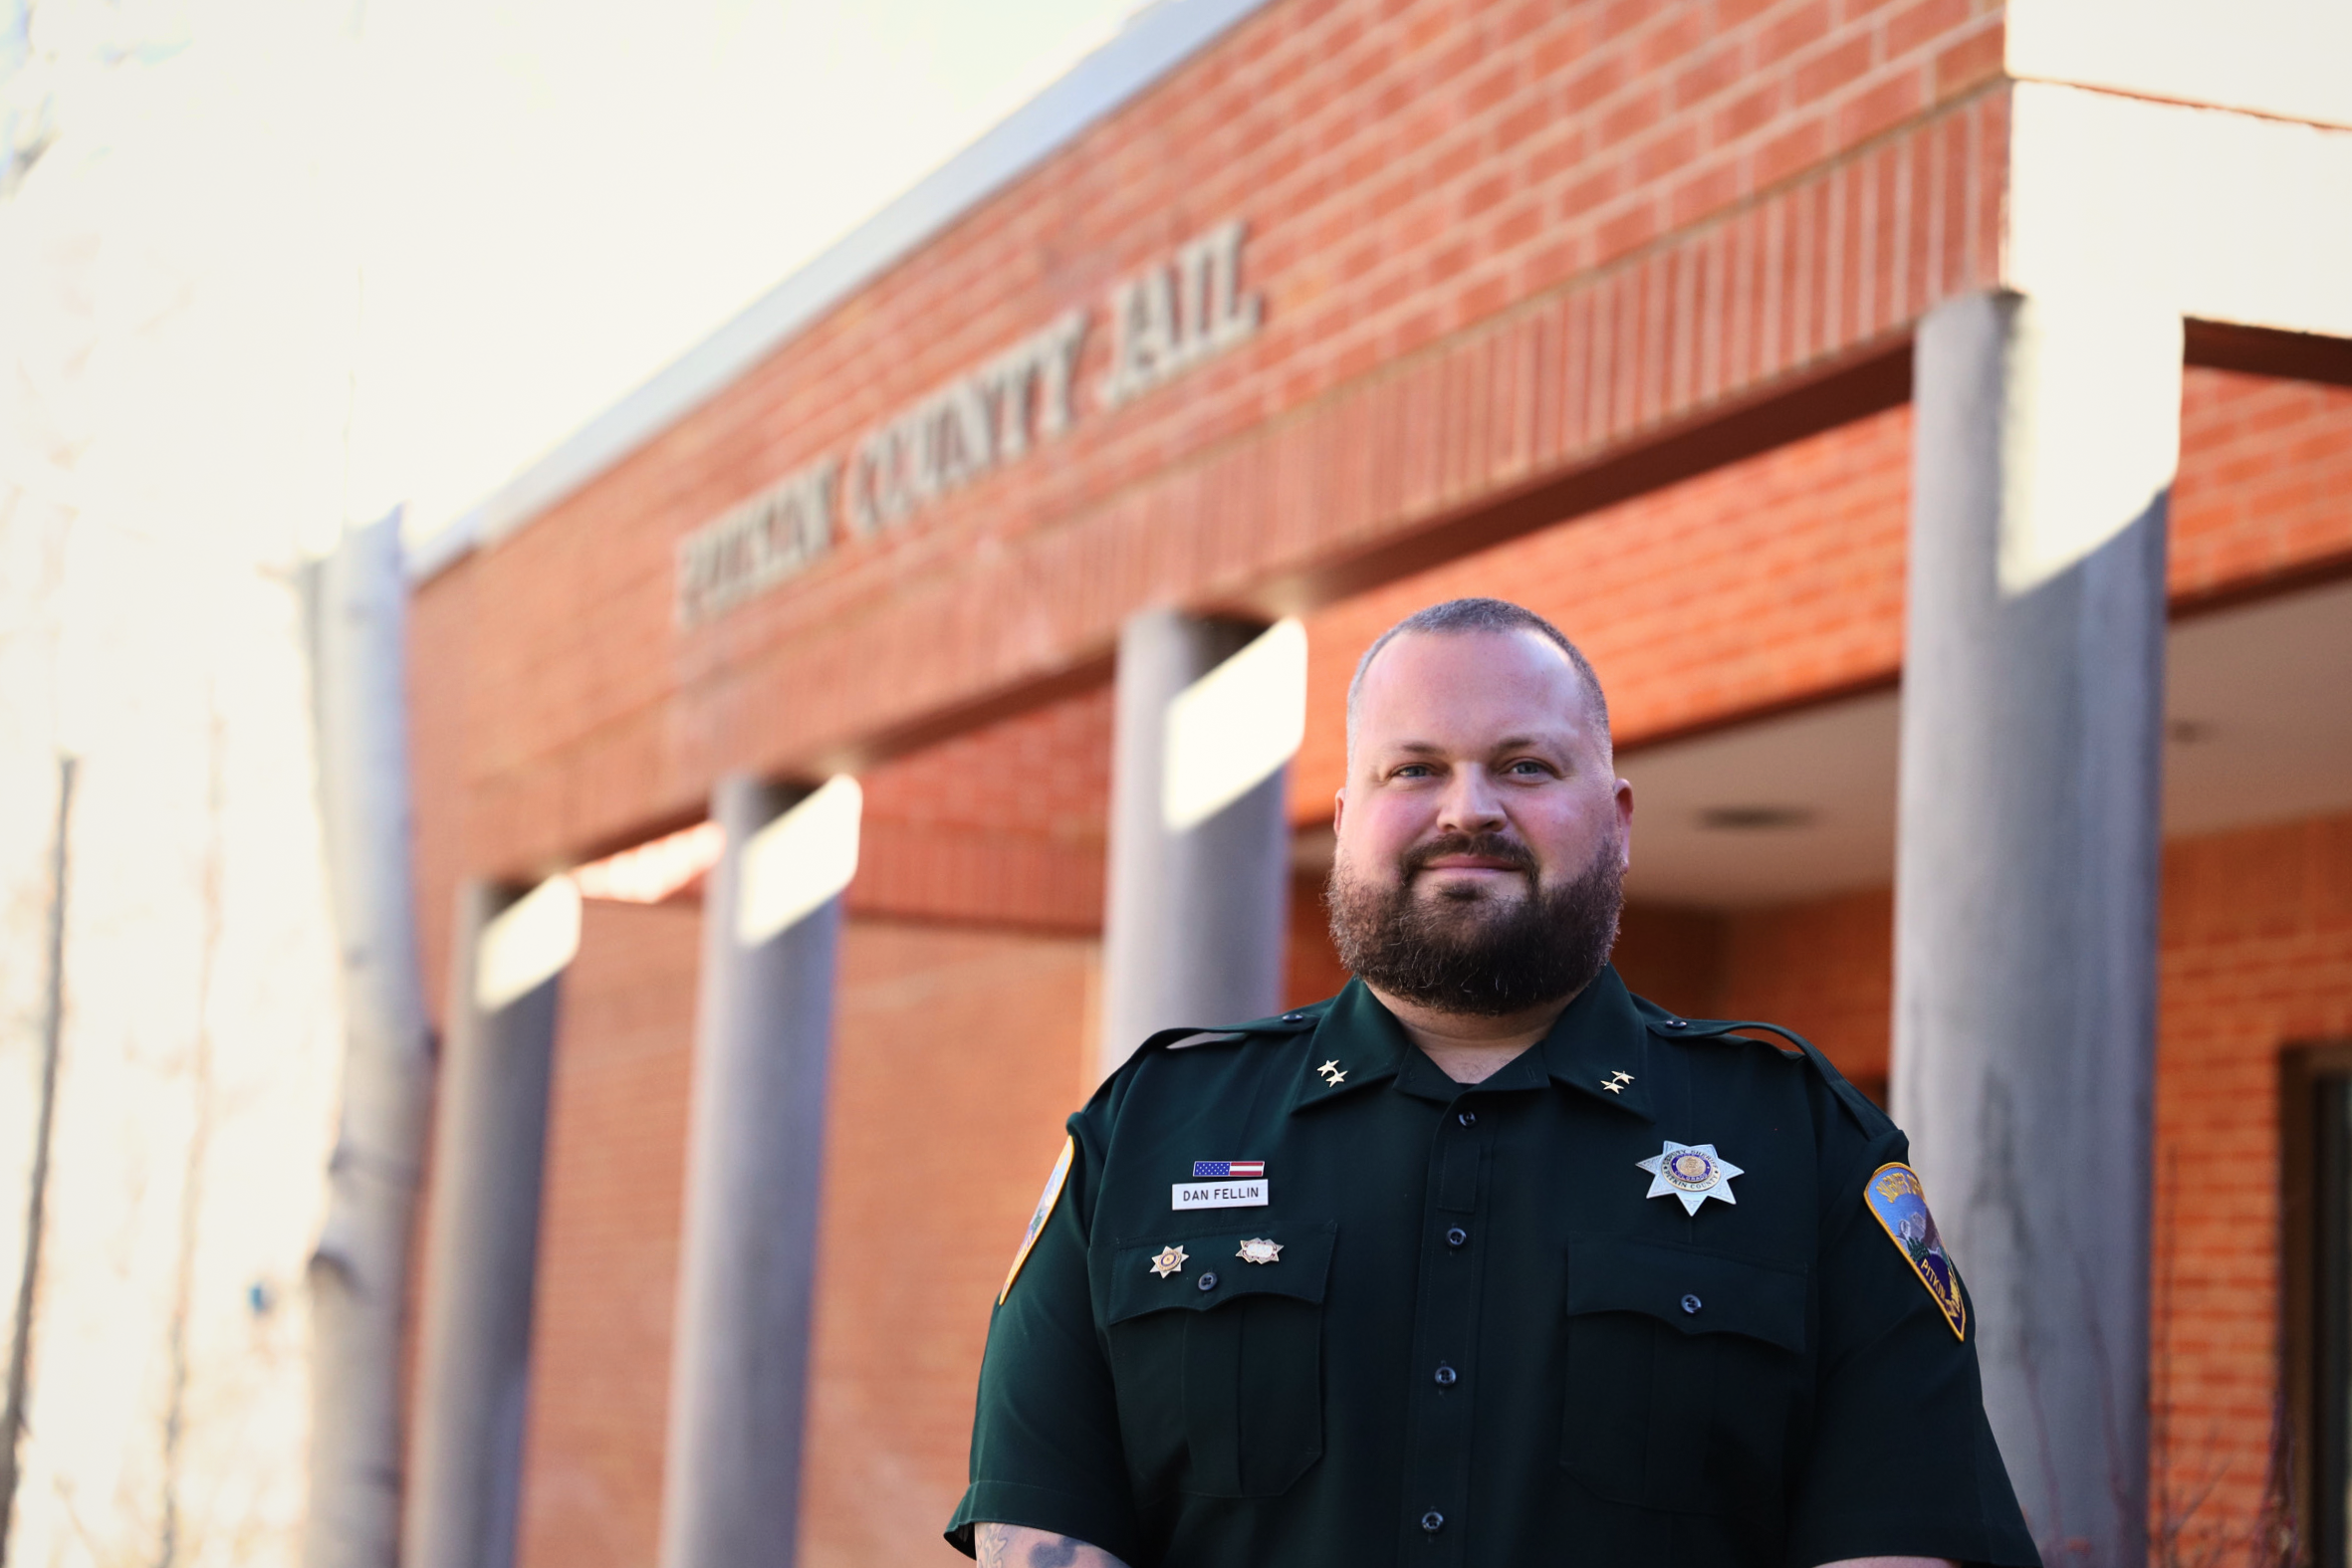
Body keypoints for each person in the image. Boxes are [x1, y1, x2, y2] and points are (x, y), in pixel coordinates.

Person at [946, 597, 2038, 1568]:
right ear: (1347, 821)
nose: (1467, 809)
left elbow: (1905, 1529)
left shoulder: (1806, 1145)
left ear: (1616, 820)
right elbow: (1042, 1528)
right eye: (1413, 769)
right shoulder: (1148, 1131)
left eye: (1524, 766)